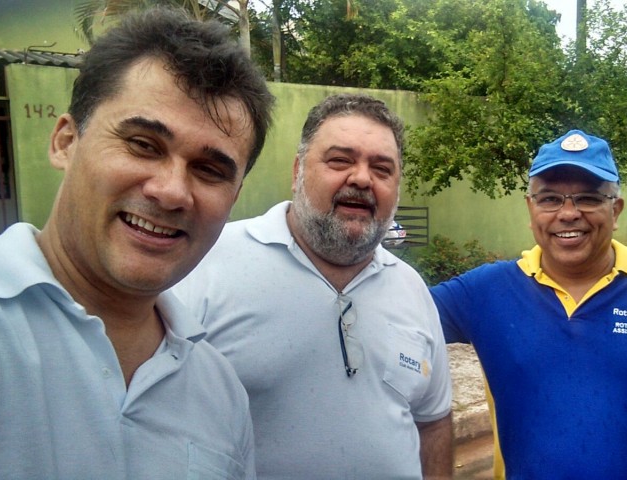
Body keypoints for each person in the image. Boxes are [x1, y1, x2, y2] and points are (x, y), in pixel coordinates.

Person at [0, 8, 274, 479]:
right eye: (143, 145)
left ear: (233, 198)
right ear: (66, 142)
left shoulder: (219, 392)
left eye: (209, 170)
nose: (172, 192)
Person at [173, 93, 454, 479]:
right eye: (339, 160)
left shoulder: (412, 288)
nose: (361, 178)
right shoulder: (207, 264)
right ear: (298, 172)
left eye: (382, 168)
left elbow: (433, 421)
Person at [430, 129, 627, 479]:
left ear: (615, 210)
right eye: (550, 199)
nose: (568, 213)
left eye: (588, 198)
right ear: (531, 208)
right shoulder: (483, 291)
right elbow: (392, 319)